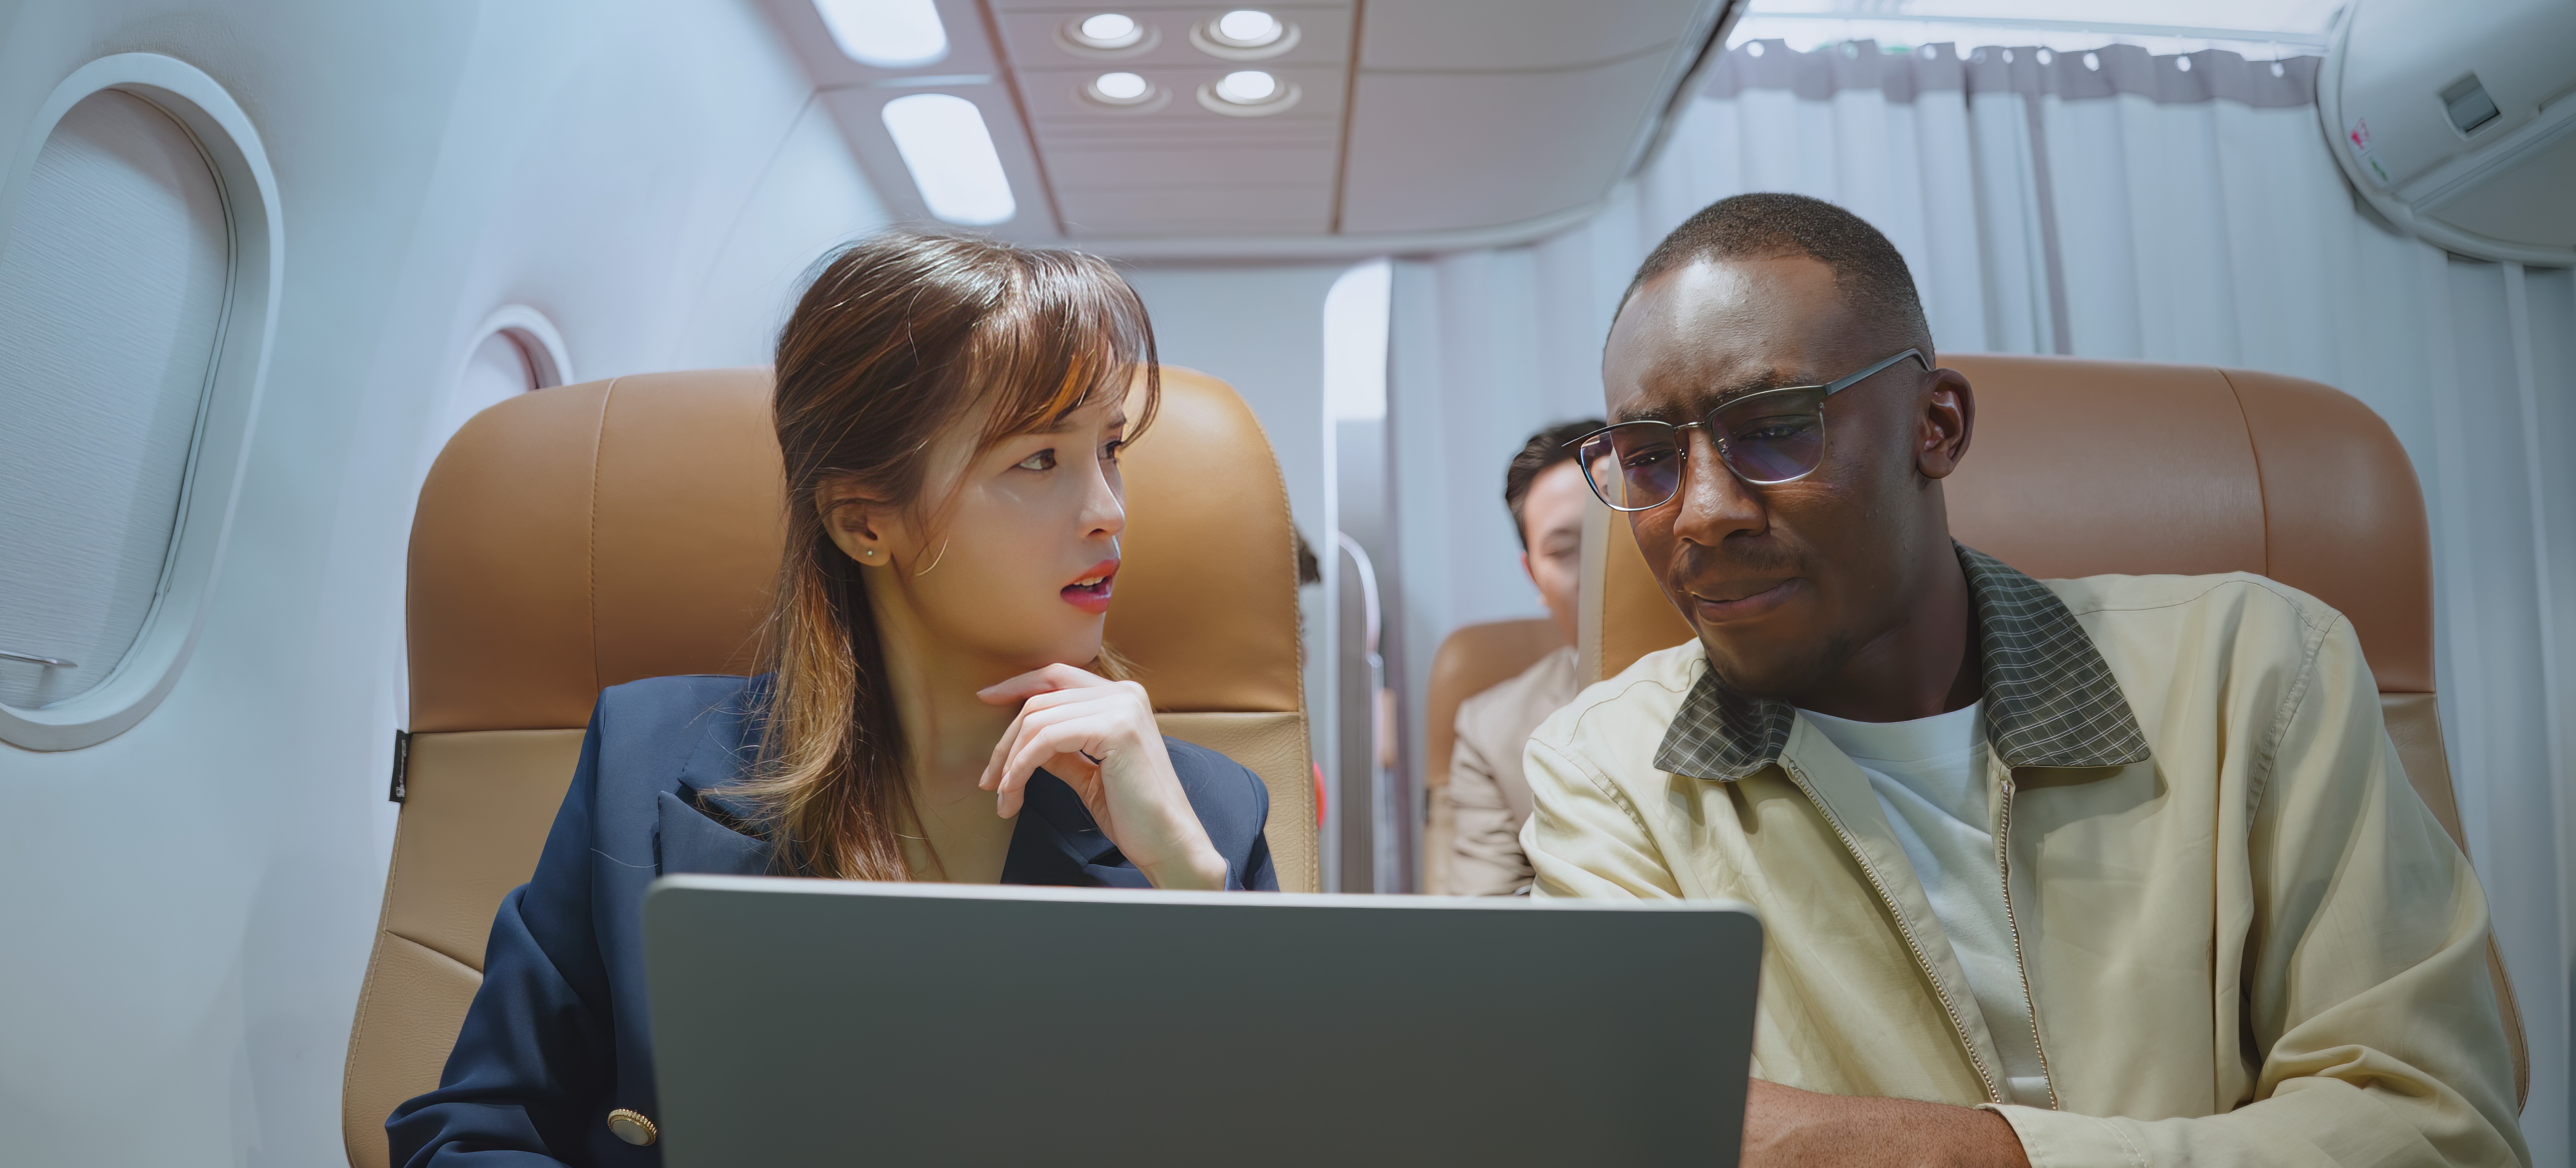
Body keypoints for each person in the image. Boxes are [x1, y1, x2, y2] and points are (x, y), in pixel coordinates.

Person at [1524, 193, 2526, 1166]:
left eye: (1778, 426)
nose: (1699, 513)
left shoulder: (2256, 670)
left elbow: (2438, 1132)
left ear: (1938, 426)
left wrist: (1939, 1153)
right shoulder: (1611, 770)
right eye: (1650, 459)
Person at [389, 232, 1276, 1166]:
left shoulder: (1206, 818)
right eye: (1039, 461)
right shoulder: (641, 758)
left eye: (1111, 449)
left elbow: (1290, 1133)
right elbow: (468, 1134)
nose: (1109, 509)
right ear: (865, 522)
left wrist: (1190, 889)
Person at [1445, 419, 1599, 896]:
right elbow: (1483, 931)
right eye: (1565, 549)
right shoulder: (1491, 730)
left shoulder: (1759, 666)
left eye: (1614, 536)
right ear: (1534, 576)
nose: (1599, 565)